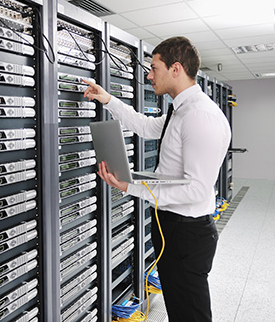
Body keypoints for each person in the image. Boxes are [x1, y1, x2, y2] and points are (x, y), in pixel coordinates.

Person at [83, 36, 231, 322]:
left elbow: (197, 189)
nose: (149, 76)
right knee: (179, 310)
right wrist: (108, 99)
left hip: (187, 233)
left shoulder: (201, 116)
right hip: (172, 228)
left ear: (176, 69)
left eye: (154, 68)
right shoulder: (181, 110)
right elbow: (146, 126)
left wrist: (130, 187)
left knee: (191, 314)